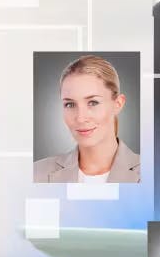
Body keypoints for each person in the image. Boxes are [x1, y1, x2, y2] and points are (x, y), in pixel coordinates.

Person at [34, 55, 140, 183]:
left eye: (93, 102)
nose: (80, 118)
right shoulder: (36, 174)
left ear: (118, 104)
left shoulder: (155, 174)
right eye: (70, 104)